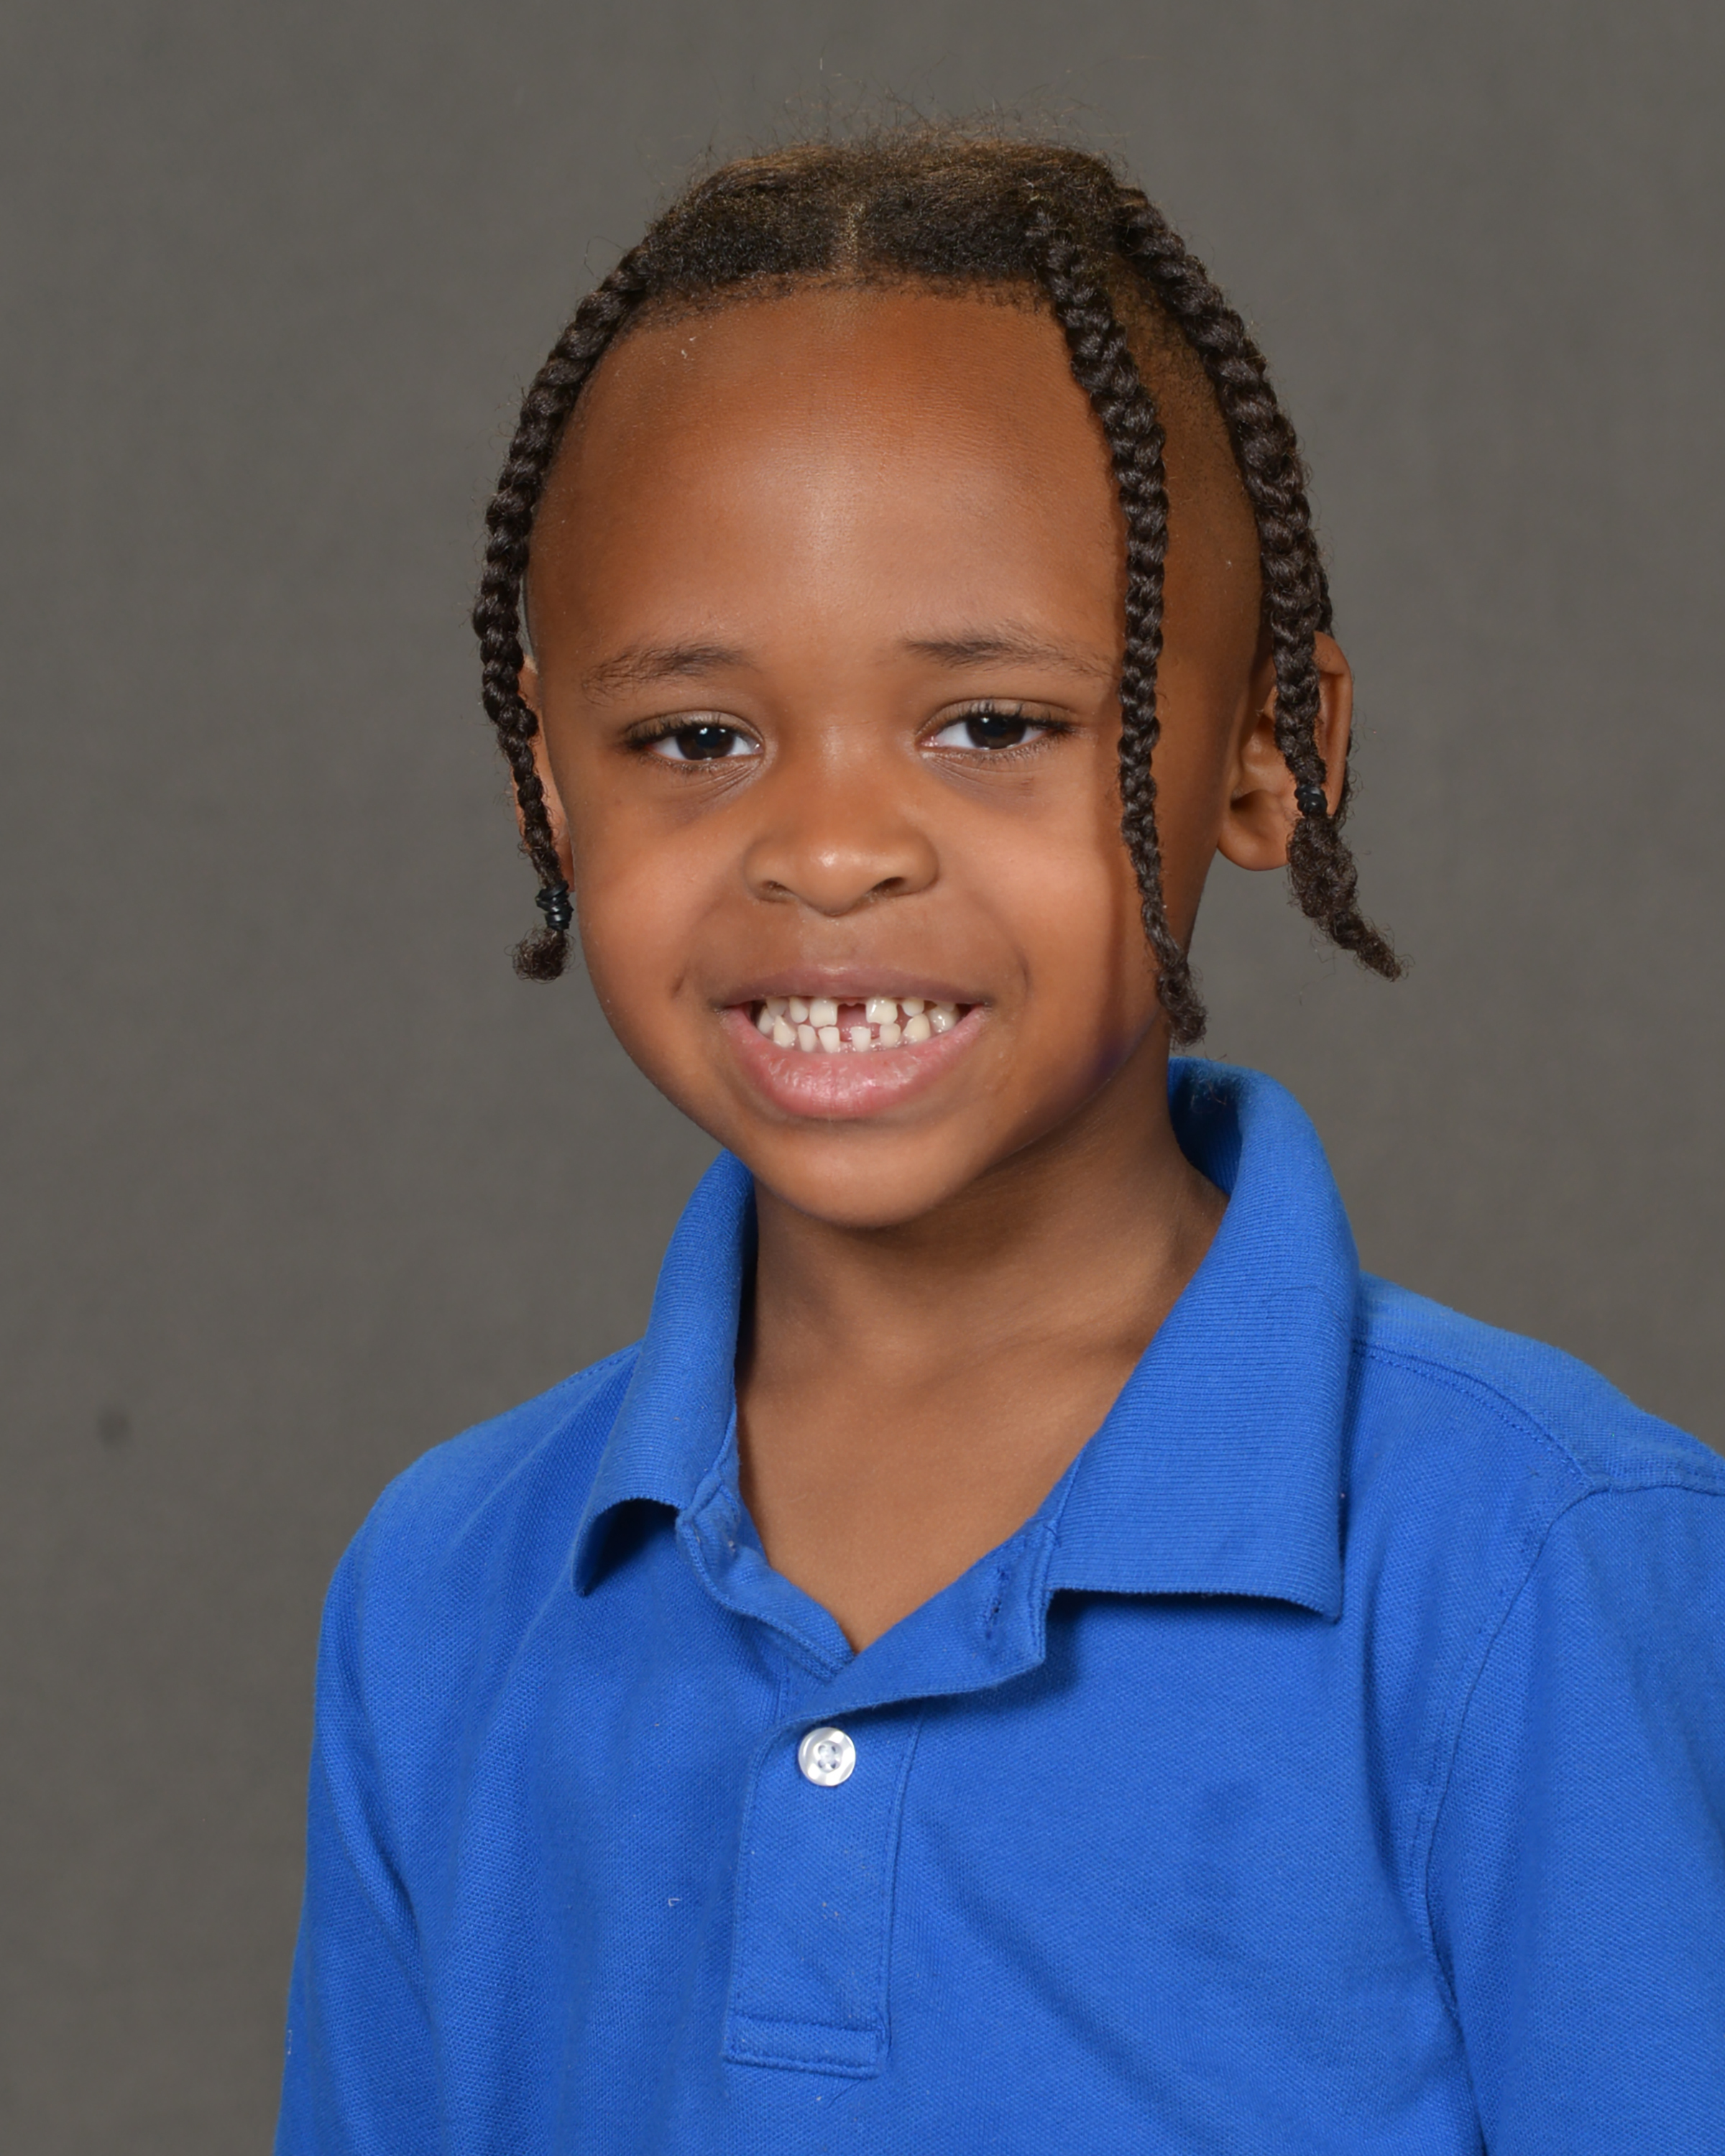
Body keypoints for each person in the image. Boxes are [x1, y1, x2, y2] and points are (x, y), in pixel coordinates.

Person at [275, 132, 1725, 2153]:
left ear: (1272, 754)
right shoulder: (446, 1594)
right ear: (547, 785)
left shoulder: (1532, 1561)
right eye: (697, 739)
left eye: (993, 725)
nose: (831, 850)